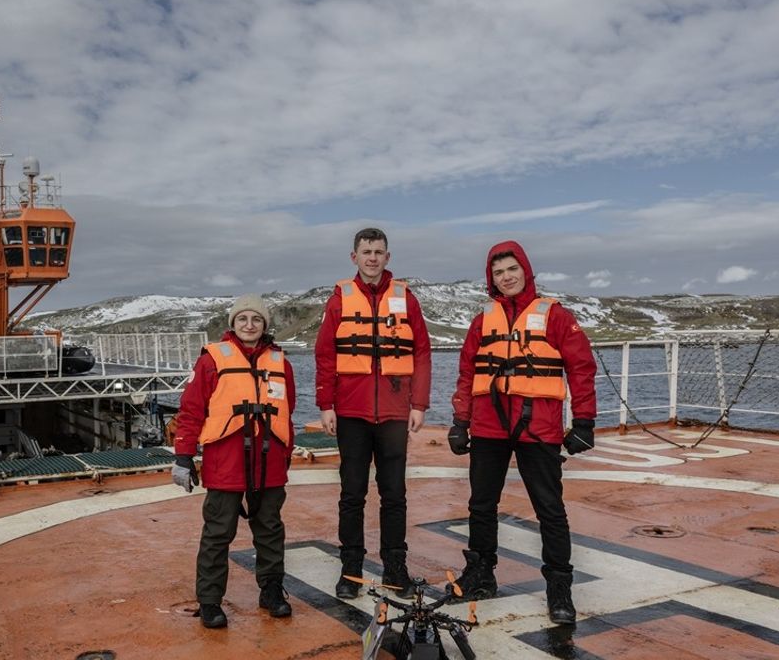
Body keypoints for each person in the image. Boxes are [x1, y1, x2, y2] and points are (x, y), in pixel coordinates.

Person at [447, 240, 597, 625]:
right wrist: (460, 422)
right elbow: (468, 373)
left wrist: (584, 422)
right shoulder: (483, 320)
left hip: (539, 426)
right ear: (491, 279)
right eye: (498, 273)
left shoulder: (556, 316)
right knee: (481, 505)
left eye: (511, 269)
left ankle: (559, 588)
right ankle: (481, 575)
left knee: (549, 508)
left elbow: (581, 368)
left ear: (525, 270)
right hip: (488, 424)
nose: (506, 277)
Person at [315, 227, 432, 600]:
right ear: (355, 257)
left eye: (379, 252)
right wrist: (325, 405)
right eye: (366, 251)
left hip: (396, 414)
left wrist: (419, 404)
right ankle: (350, 569)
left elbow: (422, 353)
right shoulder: (338, 302)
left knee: (394, 494)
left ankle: (395, 568)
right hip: (351, 412)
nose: (372, 258)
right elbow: (325, 355)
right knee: (352, 494)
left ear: (388, 257)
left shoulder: (407, 300)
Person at [172, 294, 296, 629]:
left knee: (270, 528)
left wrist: (285, 454)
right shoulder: (212, 360)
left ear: (265, 325)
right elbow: (192, 410)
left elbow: (289, 410)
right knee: (218, 531)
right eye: (243, 319)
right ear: (233, 323)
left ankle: (271, 590)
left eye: (256, 319)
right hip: (225, 459)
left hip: (269, 459)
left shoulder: (280, 362)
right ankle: (210, 601)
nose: (250, 325)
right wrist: (183, 456)